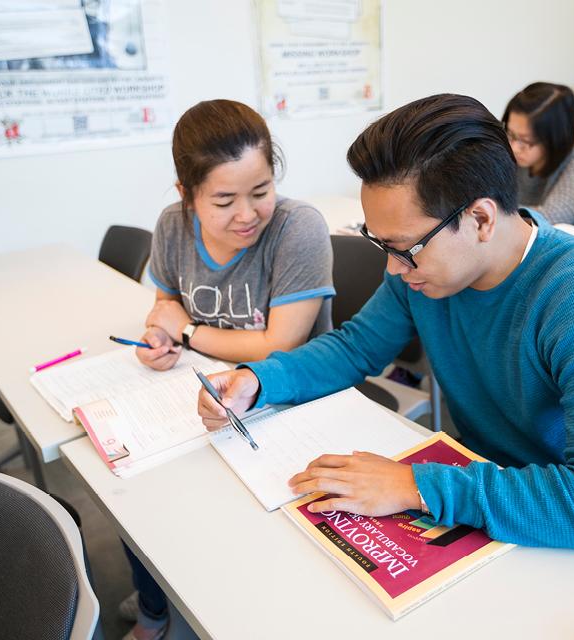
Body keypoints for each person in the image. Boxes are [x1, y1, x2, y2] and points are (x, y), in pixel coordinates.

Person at [197, 94, 574, 555]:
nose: (394, 267)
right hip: (497, 488)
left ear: (481, 220)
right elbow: (356, 348)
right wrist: (259, 380)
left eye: (404, 248)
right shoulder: (424, 272)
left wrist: (416, 486)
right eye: (382, 245)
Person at [122, 99, 335, 640]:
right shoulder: (172, 226)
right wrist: (158, 337)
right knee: (133, 487)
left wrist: (188, 332)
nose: (247, 214)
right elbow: (165, 305)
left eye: (260, 191)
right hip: (199, 397)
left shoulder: (297, 228)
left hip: (287, 403)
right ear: (186, 195)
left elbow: (278, 344)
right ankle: (157, 607)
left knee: (241, 537)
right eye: (223, 200)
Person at [502, 82, 574, 231]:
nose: (514, 147)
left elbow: (549, 219)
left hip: (569, 249)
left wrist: (494, 210)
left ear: (555, 137)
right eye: (511, 134)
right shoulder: (509, 145)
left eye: (526, 140)